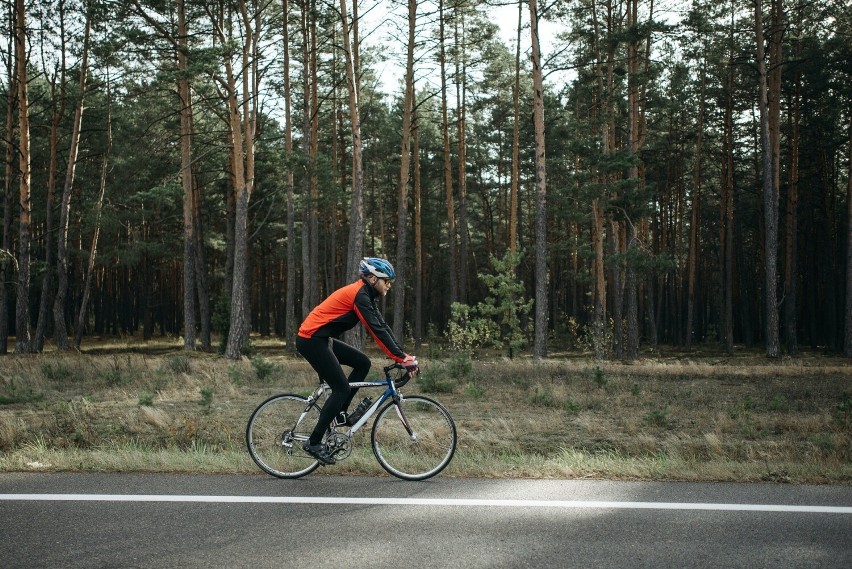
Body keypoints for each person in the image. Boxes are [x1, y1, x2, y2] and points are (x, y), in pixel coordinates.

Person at [296, 257, 419, 465]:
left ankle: (340, 414)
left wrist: (402, 355)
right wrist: (401, 358)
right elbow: (376, 330)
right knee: (341, 388)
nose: (389, 285)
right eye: (386, 281)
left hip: (321, 338)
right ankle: (314, 442)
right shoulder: (359, 295)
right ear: (372, 278)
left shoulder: (365, 295)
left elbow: (382, 325)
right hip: (311, 339)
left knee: (363, 363)